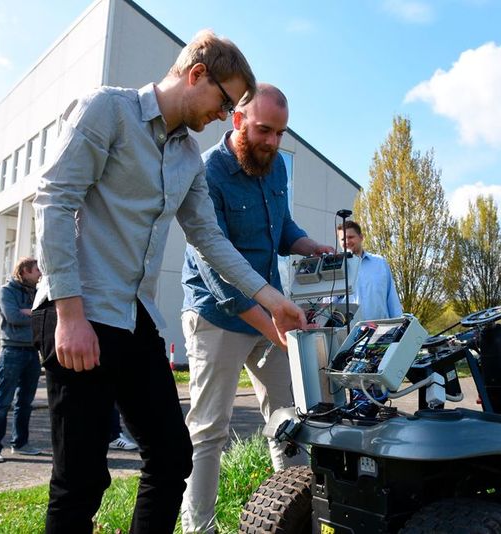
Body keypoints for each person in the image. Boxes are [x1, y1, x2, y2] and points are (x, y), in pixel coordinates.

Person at [31, 31, 305, 534]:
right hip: (80, 313)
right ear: (196, 74)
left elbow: (210, 239)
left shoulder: (185, 157)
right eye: (225, 102)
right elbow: (53, 200)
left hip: (134, 317)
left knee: (173, 456)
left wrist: (271, 299)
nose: (225, 116)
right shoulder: (106, 111)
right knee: (82, 480)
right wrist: (69, 315)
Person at [179, 83, 333, 533]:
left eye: (281, 133)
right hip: (217, 316)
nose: (272, 142)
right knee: (209, 429)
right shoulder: (207, 172)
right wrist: (272, 328)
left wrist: (309, 245)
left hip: (270, 315)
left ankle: (296, 518)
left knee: (288, 420)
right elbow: (217, 275)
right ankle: (199, 528)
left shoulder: (276, 167)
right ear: (237, 120)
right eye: (264, 130)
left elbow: (281, 226)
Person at [0, 257, 43, 464]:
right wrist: (33, 315)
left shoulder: (36, 292)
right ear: (26, 271)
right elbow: (13, 317)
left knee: (25, 403)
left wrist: (30, 312)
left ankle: (20, 444)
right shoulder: (6, 291)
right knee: (3, 401)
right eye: (37, 269)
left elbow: (45, 317)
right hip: (11, 352)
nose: (40, 273)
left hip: (32, 353)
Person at [337, 220, 403, 320]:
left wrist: (398, 324)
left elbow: (392, 299)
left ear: (361, 237)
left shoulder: (380, 263)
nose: (346, 241)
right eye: (342, 239)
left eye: (350, 237)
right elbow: (329, 307)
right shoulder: (334, 268)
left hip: (380, 331)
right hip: (348, 333)